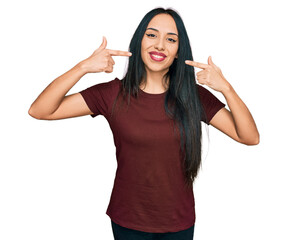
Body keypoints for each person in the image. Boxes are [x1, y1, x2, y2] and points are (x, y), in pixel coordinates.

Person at [28, 7, 259, 240]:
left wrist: (226, 88)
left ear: (179, 51)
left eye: (171, 39)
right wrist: (83, 67)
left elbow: (249, 137)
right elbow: (40, 110)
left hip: (178, 223)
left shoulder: (194, 97)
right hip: (128, 222)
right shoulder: (112, 94)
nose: (160, 45)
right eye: (152, 35)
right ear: (139, 41)